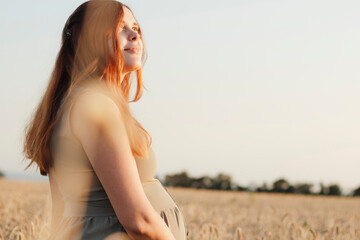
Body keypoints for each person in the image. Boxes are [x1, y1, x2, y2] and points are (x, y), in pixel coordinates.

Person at [22, 0, 188, 239]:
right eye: (121, 28)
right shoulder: (94, 106)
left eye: (136, 28)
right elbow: (138, 220)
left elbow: (63, 212)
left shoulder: (67, 104)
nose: (134, 35)